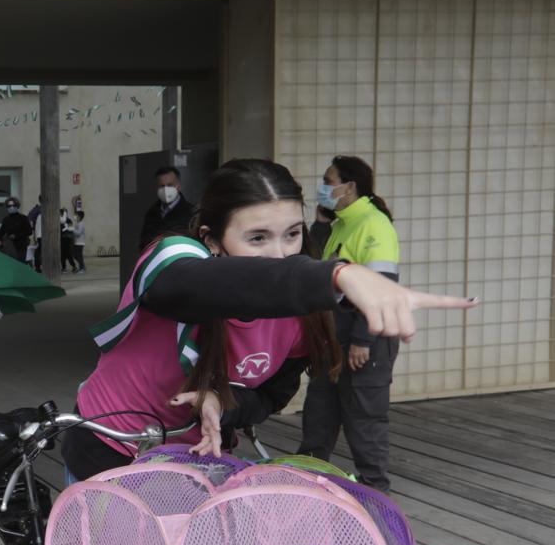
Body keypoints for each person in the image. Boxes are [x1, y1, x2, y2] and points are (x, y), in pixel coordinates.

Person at [62, 158, 474, 485]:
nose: (280, 255)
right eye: (257, 238)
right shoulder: (172, 261)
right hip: (110, 445)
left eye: (292, 234)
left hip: (197, 462)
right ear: (211, 240)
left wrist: (222, 403)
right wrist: (339, 274)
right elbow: (198, 286)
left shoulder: (301, 315)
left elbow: (270, 396)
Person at [298, 156, 402, 491]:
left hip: (363, 340)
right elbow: (315, 270)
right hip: (333, 340)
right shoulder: (341, 223)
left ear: (350, 186)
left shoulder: (374, 224)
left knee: (364, 422)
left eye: (328, 180)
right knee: (319, 415)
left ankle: (375, 494)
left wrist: (362, 339)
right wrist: (321, 225)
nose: (323, 187)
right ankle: (305, 483)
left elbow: (379, 287)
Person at [139, 164, 194, 249]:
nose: (166, 189)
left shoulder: (191, 212)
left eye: (170, 185)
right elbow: (144, 241)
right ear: (156, 188)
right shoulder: (152, 213)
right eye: (162, 186)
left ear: (178, 186)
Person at [0, 197, 32, 262]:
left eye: (13, 205)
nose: (11, 207)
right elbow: (1, 232)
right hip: (10, 247)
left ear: (17, 206)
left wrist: (16, 236)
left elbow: (29, 231)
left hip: (21, 246)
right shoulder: (6, 219)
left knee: (20, 264)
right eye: (9, 206)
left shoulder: (23, 218)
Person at [59, 208, 76, 274]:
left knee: (69, 254)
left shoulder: (68, 220)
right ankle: (64, 268)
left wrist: (66, 228)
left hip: (68, 240)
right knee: (62, 255)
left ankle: (74, 266)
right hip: (62, 240)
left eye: (61, 213)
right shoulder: (60, 221)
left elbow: (71, 229)